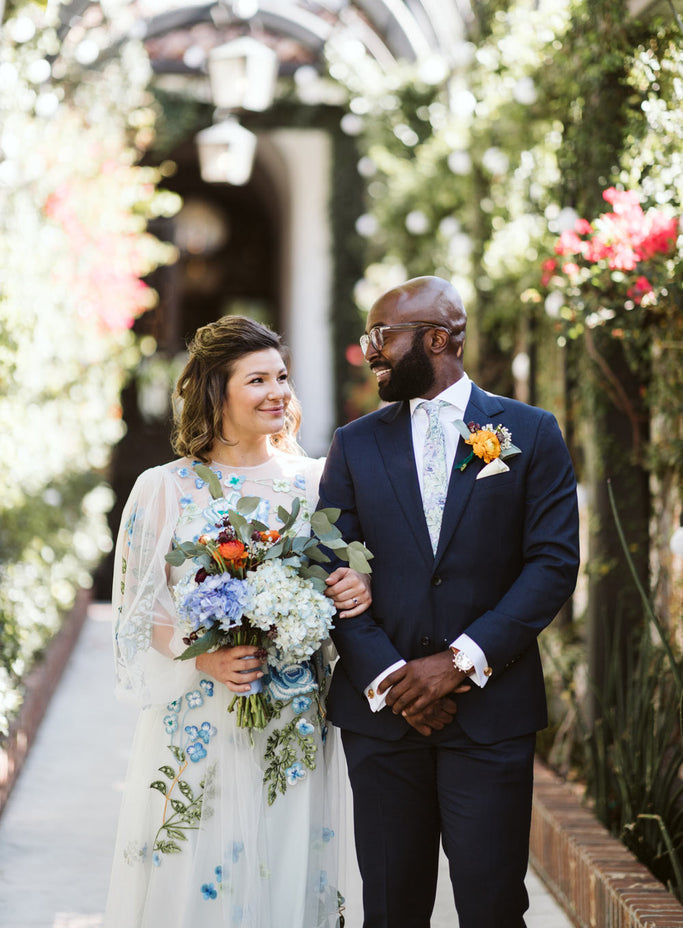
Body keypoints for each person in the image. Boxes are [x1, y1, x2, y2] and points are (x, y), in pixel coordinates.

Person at [319, 276, 580, 928]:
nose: (369, 351)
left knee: (492, 908)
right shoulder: (353, 443)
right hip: (381, 720)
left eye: (382, 336)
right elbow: (328, 555)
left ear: (436, 339)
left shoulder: (530, 433)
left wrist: (460, 662)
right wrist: (389, 677)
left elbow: (551, 564)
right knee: (390, 908)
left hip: (490, 716)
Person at [105, 315, 369, 928]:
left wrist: (356, 586)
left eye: (282, 377)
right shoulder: (163, 488)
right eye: (257, 380)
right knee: (198, 864)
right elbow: (140, 608)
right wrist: (203, 654)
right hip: (201, 716)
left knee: (286, 860)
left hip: (294, 716)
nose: (278, 392)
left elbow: (345, 576)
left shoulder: (318, 482)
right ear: (215, 393)